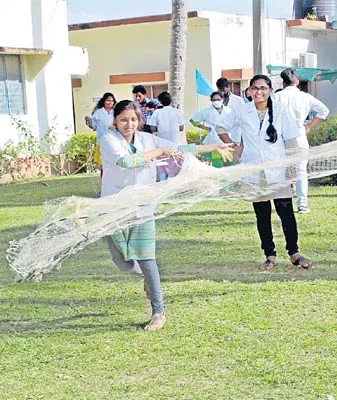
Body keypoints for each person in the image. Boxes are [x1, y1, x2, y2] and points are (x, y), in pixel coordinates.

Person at [99, 100, 233, 330]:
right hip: (115, 207)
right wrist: (159, 152)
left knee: (146, 257)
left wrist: (214, 148)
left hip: (143, 207)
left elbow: (180, 148)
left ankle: (158, 312)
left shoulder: (148, 139)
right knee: (123, 263)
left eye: (133, 119)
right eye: (123, 120)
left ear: (139, 120)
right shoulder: (108, 140)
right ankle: (144, 278)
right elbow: (127, 161)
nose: (128, 124)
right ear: (115, 121)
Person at [216, 75, 313, 271]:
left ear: (270, 90)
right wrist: (236, 148)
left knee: (286, 212)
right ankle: (269, 254)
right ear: (249, 91)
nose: (258, 92)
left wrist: (292, 169)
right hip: (254, 170)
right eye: (254, 88)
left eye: (262, 88)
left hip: (278, 169)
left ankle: (294, 253)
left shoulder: (280, 110)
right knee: (262, 215)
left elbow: (291, 140)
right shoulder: (243, 110)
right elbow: (221, 127)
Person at [273, 68, 330, 213]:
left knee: (281, 171)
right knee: (301, 172)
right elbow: (324, 111)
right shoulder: (305, 97)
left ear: (284, 82)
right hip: (299, 136)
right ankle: (302, 204)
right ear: (297, 82)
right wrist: (309, 126)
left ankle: (283, 202)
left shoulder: (277, 97)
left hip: (281, 138)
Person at [191, 92, 233, 167]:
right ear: (211, 101)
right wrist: (206, 128)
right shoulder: (206, 111)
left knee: (229, 163)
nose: (216, 101)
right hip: (214, 141)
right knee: (217, 164)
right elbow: (193, 121)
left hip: (227, 140)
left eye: (218, 99)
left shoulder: (229, 111)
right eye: (214, 100)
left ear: (222, 99)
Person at [85, 92, 116, 176]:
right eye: (108, 100)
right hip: (102, 140)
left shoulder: (115, 112)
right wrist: (89, 121)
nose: (110, 102)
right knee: (103, 163)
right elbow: (93, 126)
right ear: (104, 101)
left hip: (115, 140)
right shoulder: (98, 112)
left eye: (112, 101)